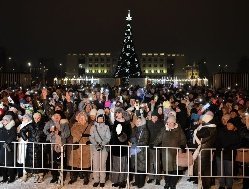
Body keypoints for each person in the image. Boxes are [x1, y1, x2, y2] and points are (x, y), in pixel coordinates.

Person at [152, 115, 187, 189]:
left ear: (174, 122)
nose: (170, 124)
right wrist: (153, 144)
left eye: (172, 122)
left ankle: (173, 184)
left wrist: (182, 145)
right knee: (167, 170)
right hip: (166, 154)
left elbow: (183, 139)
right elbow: (159, 138)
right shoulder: (164, 129)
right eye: (169, 122)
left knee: (175, 170)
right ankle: (167, 183)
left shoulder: (179, 129)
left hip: (176, 153)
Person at [43, 110, 70, 183]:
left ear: (61, 117)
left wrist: (59, 132)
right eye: (55, 115)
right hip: (52, 145)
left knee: (61, 162)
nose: (57, 117)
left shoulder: (65, 123)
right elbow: (45, 131)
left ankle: (61, 176)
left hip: (61, 145)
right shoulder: (49, 122)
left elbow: (67, 134)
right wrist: (50, 131)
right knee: (53, 161)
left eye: (58, 115)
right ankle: (54, 176)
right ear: (53, 116)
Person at [20, 112, 46, 183]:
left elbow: (47, 134)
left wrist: (45, 141)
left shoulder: (44, 125)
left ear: (40, 118)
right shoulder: (30, 125)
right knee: (31, 161)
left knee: (40, 160)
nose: (36, 119)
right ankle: (35, 174)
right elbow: (22, 131)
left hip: (40, 145)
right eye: (35, 118)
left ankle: (41, 175)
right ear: (33, 118)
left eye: (38, 118)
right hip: (31, 145)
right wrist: (26, 139)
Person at [193, 111, 217, 189]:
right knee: (203, 171)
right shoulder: (209, 127)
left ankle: (205, 186)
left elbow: (200, 134)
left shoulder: (210, 128)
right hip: (205, 151)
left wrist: (197, 131)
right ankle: (203, 185)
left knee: (203, 171)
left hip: (204, 152)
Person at [109, 107, 132, 188]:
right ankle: (116, 180)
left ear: (122, 113)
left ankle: (122, 181)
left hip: (123, 147)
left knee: (122, 165)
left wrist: (121, 135)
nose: (117, 114)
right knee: (116, 165)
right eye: (116, 113)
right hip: (115, 147)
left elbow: (127, 136)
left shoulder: (127, 124)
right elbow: (112, 135)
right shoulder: (114, 123)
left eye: (119, 112)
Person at [67, 111, 91, 185]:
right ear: (78, 119)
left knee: (85, 163)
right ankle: (73, 178)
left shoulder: (89, 126)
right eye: (80, 118)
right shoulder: (75, 125)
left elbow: (91, 134)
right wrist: (82, 135)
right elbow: (73, 132)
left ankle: (86, 178)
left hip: (85, 147)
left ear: (86, 119)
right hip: (76, 146)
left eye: (83, 118)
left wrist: (84, 135)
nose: (82, 119)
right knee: (74, 163)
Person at [89, 109, 111, 187]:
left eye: (102, 117)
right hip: (95, 148)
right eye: (99, 117)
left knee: (102, 164)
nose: (100, 119)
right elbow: (91, 137)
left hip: (104, 148)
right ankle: (96, 180)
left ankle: (102, 180)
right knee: (95, 164)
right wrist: (96, 144)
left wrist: (102, 144)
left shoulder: (106, 127)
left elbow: (108, 137)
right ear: (96, 118)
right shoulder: (93, 127)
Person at [130, 112, 149, 188]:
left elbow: (145, 141)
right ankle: (137, 181)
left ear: (143, 122)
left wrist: (137, 143)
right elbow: (131, 137)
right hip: (135, 151)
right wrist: (132, 140)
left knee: (141, 168)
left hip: (142, 151)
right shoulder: (135, 129)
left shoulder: (145, 130)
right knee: (136, 168)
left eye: (139, 121)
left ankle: (141, 182)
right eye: (137, 121)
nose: (137, 123)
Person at [147, 109, 164, 185]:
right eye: (153, 116)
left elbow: (161, 136)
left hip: (157, 146)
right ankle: (151, 177)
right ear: (151, 117)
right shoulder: (148, 123)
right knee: (150, 162)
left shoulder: (161, 124)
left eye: (155, 116)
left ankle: (157, 178)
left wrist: (156, 144)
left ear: (157, 117)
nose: (154, 118)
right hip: (149, 145)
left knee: (157, 162)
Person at [0, 115, 17, 183]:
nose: (3, 121)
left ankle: (12, 177)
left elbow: (13, 136)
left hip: (8, 148)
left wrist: (6, 143)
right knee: (2, 163)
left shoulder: (12, 128)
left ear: (9, 121)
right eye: (3, 119)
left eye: (5, 120)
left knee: (9, 163)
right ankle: (4, 178)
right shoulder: (1, 127)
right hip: (1, 147)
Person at [17, 114, 33, 182]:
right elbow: (18, 133)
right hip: (20, 143)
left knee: (26, 158)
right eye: (23, 118)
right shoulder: (20, 125)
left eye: (26, 118)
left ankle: (26, 173)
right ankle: (24, 172)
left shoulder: (30, 125)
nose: (24, 119)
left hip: (26, 143)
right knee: (21, 158)